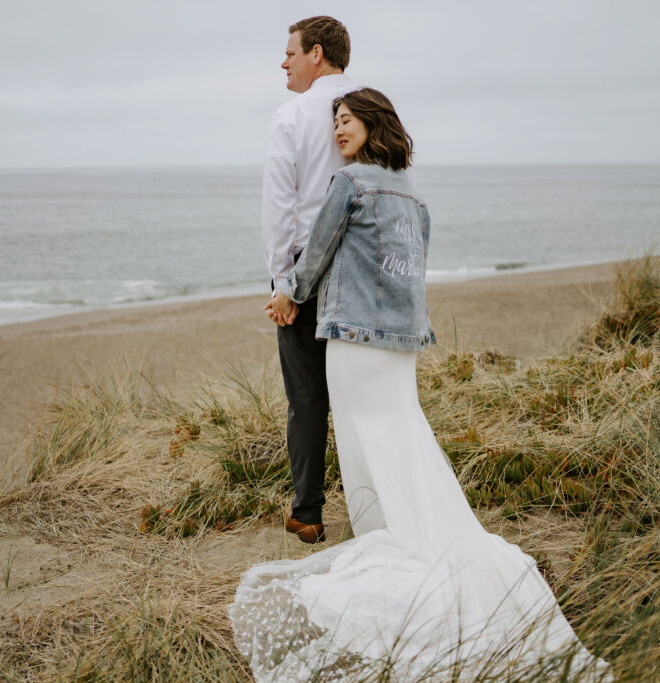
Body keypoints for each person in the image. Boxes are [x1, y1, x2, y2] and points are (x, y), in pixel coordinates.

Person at [230, 89, 612, 681]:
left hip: (354, 339)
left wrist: (288, 296)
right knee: (402, 433)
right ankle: (411, 534)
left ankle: (383, 543)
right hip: (402, 342)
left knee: (362, 441)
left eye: (347, 121)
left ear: (372, 124)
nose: (337, 131)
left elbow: (318, 255)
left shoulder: (350, 185)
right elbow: (412, 271)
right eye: (334, 122)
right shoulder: (414, 195)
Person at [261, 16, 355, 544]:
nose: (284, 62)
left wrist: (282, 282)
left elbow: (280, 205)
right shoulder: (372, 105)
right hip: (363, 271)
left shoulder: (292, 114)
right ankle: (374, 504)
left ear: (316, 53)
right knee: (359, 392)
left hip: (306, 275)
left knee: (307, 396)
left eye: (290, 52)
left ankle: (309, 512)